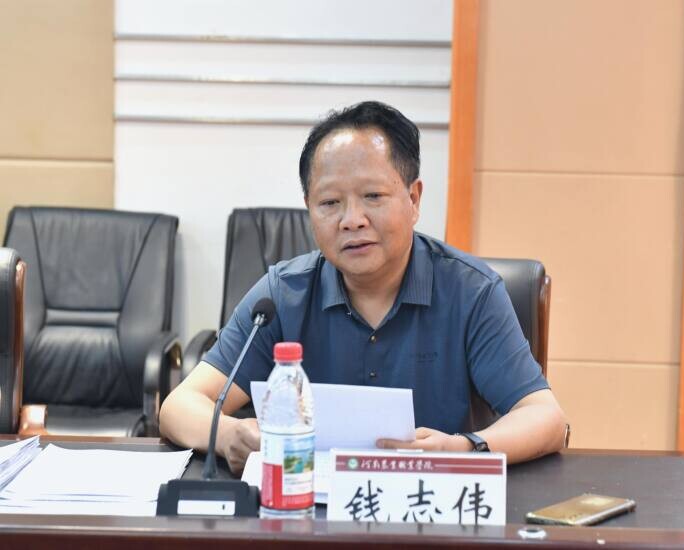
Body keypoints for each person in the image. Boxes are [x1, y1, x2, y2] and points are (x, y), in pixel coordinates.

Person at [160, 101, 568, 474]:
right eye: (329, 203)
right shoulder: (283, 295)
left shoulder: (470, 292)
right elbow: (179, 405)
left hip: (429, 508)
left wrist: (462, 447)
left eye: (373, 196)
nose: (351, 220)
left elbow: (546, 418)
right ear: (309, 209)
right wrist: (229, 434)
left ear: (414, 198)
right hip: (307, 509)